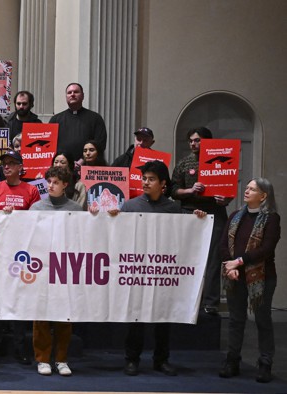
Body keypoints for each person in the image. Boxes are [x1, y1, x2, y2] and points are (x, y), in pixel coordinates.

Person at [113, 160, 205, 377]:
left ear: (163, 183)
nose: (145, 182)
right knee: (135, 318)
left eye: (151, 179)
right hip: (136, 271)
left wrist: (198, 220)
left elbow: (183, 237)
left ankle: (161, 360)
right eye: (144, 178)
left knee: (163, 318)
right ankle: (132, 360)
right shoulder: (130, 206)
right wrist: (110, 218)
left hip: (161, 272)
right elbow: (117, 236)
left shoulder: (173, 208)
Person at [218, 178, 281, 383]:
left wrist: (238, 261)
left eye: (252, 189)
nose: (246, 191)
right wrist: (230, 265)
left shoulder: (271, 219)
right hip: (235, 275)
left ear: (263, 196)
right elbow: (223, 245)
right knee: (236, 320)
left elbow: (266, 249)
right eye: (246, 188)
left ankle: (264, 363)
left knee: (262, 320)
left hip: (262, 277)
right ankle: (232, 361)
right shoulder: (236, 216)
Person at [0, 151, 41, 364]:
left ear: (20, 167)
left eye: (11, 164)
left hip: (21, 255)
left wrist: (14, 216)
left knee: (19, 299)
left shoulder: (31, 190)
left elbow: (37, 220)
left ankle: (20, 347)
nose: (6, 167)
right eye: (4, 164)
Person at [28, 166, 84, 376]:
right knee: (41, 314)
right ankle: (42, 359)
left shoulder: (76, 210)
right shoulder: (36, 208)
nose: (50, 185)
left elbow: (81, 238)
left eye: (55, 182)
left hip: (66, 268)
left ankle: (61, 359)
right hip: (41, 267)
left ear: (65, 185)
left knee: (64, 315)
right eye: (48, 181)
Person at [170, 127, 232, 316]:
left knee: (213, 259)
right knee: (187, 258)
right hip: (189, 212)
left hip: (215, 212)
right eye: (191, 140)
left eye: (197, 140)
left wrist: (226, 199)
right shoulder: (184, 163)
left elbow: (228, 190)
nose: (193, 144)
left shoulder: (223, 160)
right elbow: (173, 190)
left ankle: (211, 303)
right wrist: (189, 191)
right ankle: (185, 300)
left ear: (208, 141)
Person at [49, 83, 107, 165]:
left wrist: (83, 160)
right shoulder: (55, 119)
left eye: (76, 92)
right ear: (66, 97)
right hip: (62, 167)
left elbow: (100, 144)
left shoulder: (95, 118)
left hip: (87, 166)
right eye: (69, 92)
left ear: (83, 96)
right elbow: (49, 146)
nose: (72, 94)